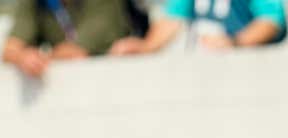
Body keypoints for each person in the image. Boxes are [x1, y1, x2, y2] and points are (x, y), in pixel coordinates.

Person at [1, 0, 144, 78]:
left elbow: (75, 52)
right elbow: (9, 50)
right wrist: (22, 57)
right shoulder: (36, 3)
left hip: (116, 85)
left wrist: (41, 57)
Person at [109, 0, 284, 52]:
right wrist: (145, 47)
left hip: (243, 68)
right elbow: (172, 18)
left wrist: (235, 42)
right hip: (203, 68)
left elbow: (270, 21)